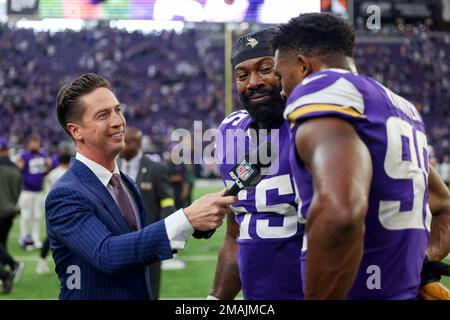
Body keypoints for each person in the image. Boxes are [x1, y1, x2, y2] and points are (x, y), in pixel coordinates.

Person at [272, 13, 450, 299]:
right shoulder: (399, 106)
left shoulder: (323, 89)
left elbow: (340, 212)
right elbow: (445, 205)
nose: (281, 90)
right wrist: (417, 263)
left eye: (281, 75)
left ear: (304, 66)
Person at [46, 73, 236, 300]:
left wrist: (198, 221)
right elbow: (107, 254)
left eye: (117, 110)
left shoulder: (125, 183)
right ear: (76, 131)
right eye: (102, 115)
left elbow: (139, 244)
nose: (118, 120)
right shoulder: (66, 193)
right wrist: (186, 219)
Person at [208, 29, 304, 300]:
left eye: (265, 69)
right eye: (242, 75)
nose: (253, 82)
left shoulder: (314, 127)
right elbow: (235, 235)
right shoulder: (230, 131)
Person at [119, 127, 177, 299]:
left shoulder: (155, 169)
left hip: (148, 239)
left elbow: (167, 202)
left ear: (135, 143)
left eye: (125, 142)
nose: (120, 146)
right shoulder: (112, 167)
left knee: (149, 289)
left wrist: (164, 233)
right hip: (119, 240)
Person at [36, 142, 74, 275]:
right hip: (69, 208)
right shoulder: (71, 173)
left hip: (53, 208)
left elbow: (47, 192)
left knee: (51, 237)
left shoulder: (52, 174)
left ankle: (41, 261)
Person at [17, 135, 52, 250]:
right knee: (26, 215)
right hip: (26, 191)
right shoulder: (24, 155)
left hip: (38, 191)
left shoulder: (42, 155)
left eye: (36, 142)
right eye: (33, 142)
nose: (35, 145)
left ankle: (36, 238)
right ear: (28, 144)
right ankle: (24, 237)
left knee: (37, 216)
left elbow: (47, 170)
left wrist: (47, 165)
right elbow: (19, 169)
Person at [0, 138, 25, 294]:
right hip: (10, 212)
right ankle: (7, 272)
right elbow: (18, 192)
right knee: (2, 243)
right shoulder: (16, 168)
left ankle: (11, 267)